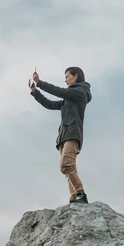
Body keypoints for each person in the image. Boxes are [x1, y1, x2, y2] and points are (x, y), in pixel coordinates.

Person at [29, 67, 92, 204]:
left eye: (67, 76)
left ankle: (81, 193)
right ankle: (74, 196)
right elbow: (50, 104)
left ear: (76, 76)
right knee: (70, 168)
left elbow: (60, 92)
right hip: (64, 136)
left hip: (72, 134)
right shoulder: (68, 100)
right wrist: (35, 92)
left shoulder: (80, 92)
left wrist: (40, 82)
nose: (65, 80)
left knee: (66, 165)